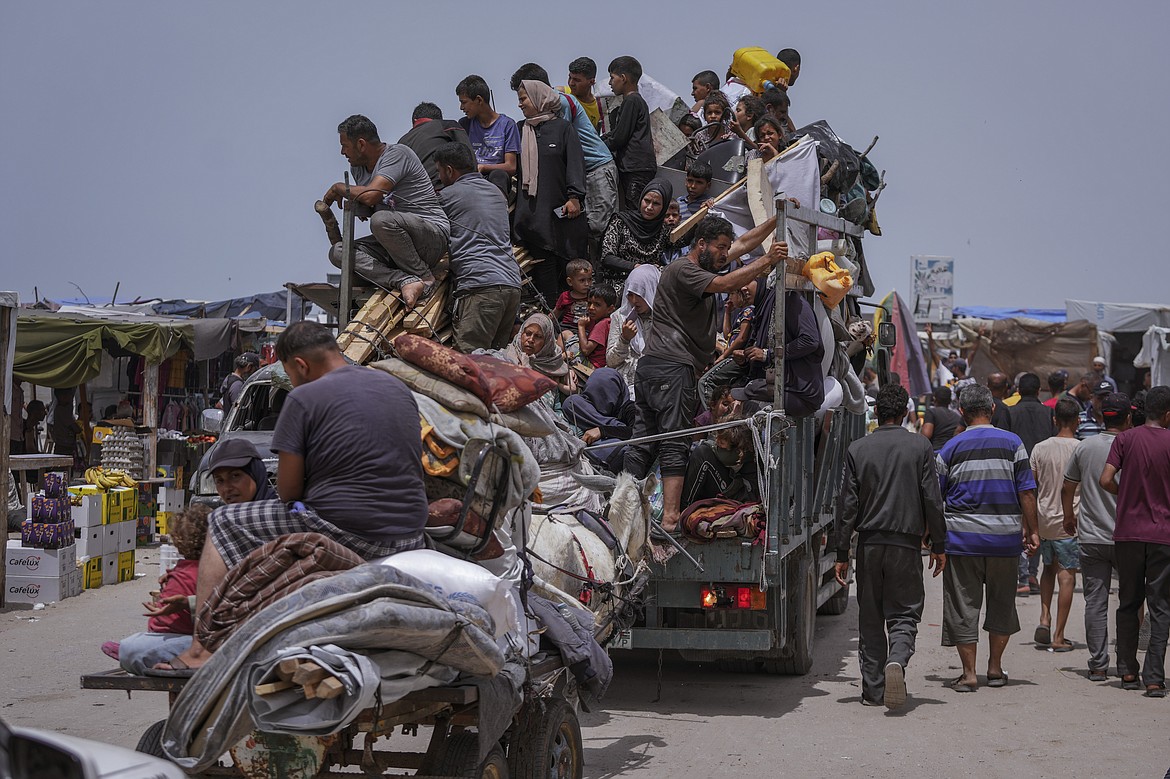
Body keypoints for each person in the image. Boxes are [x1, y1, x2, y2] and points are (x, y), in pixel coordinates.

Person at [156, 322, 428, 673]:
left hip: (349, 531)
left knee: (224, 521)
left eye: (291, 375)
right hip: (409, 533)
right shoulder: (398, 389)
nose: (294, 384)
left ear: (300, 365)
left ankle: (202, 649)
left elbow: (288, 491)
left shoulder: (303, 398)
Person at [623, 215, 787, 532]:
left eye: (727, 248)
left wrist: (773, 221)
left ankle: (625, 507)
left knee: (644, 441)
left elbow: (743, 243)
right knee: (673, 441)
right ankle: (670, 516)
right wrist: (768, 259)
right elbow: (727, 284)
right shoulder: (685, 270)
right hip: (671, 369)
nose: (726, 254)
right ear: (702, 245)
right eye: (720, 248)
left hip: (655, 368)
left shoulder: (703, 263)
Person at [833, 383, 946, 709]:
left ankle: (873, 691)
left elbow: (847, 506)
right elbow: (932, 499)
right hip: (905, 546)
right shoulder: (920, 446)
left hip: (869, 545)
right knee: (904, 614)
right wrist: (939, 544)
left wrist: (842, 553)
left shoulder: (858, 448)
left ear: (877, 413)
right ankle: (897, 659)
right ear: (905, 411)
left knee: (870, 619)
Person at [937, 385, 1039, 693]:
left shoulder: (951, 448)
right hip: (1004, 541)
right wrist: (1032, 530)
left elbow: (935, 496)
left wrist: (931, 538)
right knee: (1002, 604)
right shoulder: (1014, 443)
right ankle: (994, 669)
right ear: (992, 409)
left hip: (962, 541)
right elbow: (1026, 492)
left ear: (962, 412)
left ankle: (969, 674)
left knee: (962, 606)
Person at [323, 115, 450, 308]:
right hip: (394, 244)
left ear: (361, 144)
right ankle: (403, 280)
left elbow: (372, 195)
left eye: (345, 145)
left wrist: (339, 188)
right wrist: (356, 205)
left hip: (429, 238)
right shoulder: (358, 168)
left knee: (381, 220)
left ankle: (425, 277)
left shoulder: (397, 154)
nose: (342, 152)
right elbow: (368, 206)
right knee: (339, 252)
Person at [1100, 385, 1170, 697]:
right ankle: (1154, 677)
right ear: (1167, 415)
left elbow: (1105, 479)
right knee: (1160, 606)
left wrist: (1125, 494)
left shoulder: (1125, 439)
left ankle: (1127, 670)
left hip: (1127, 533)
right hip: (1162, 535)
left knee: (1128, 602)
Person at [511, 63, 618, 252]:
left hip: (597, 167)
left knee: (600, 226)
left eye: (524, 94)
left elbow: (561, 145)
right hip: (584, 171)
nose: (520, 102)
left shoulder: (559, 104)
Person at [1063, 392, 1131, 681]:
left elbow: (1068, 487)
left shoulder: (1085, 447)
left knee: (1095, 601)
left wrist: (1069, 516)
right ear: (1128, 417)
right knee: (1130, 600)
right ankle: (1127, 666)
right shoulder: (1134, 446)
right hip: (1129, 536)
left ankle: (1099, 664)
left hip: (1091, 536)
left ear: (1102, 417)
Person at [433, 142, 522, 353]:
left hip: (480, 287)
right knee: (496, 361)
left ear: (449, 170)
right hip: (511, 285)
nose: (439, 177)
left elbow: (428, 229)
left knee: (470, 363)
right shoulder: (496, 193)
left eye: (439, 171)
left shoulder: (447, 196)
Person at [511, 79, 588, 308]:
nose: (520, 105)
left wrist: (575, 196)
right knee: (541, 265)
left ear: (538, 98)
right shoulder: (519, 130)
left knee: (564, 263)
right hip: (531, 213)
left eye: (523, 99)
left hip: (560, 210)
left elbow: (575, 164)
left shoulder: (563, 128)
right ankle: (549, 318)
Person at [107, 504, 210, 674]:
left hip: (183, 637)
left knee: (131, 647)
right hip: (174, 635)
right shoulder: (191, 568)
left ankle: (135, 655)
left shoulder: (199, 571)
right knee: (139, 642)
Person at [1030, 399, 1083, 653]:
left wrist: (1028, 526)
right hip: (1069, 522)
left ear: (1054, 420)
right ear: (1078, 421)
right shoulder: (1080, 449)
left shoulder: (1040, 448)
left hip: (1043, 519)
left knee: (1048, 569)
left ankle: (1044, 617)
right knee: (1067, 576)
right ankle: (1059, 636)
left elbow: (1030, 487)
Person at [1008, 372, 1054, 596]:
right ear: (1038, 391)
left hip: (1016, 477)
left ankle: (1022, 577)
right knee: (1038, 526)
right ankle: (1033, 574)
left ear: (1018, 390)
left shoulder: (1010, 412)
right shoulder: (1048, 412)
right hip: (1042, 477)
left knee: (1020, 526)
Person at [600, 178, 688, 284]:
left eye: (656, 203)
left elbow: (682, 240)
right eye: (646, 201)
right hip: (617, 281)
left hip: (647, 285)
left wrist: (702, 213)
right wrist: (637, 268)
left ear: (664, 207)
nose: (649, 207)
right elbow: (607, 257)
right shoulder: (620, 221)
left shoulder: (663, 229)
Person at [603, 56, 656, 209]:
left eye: (612, 77)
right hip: (636, 167)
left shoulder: (632, 101)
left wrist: (596, 146)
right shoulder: (634, 101)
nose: (609, 83)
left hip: (636, 168)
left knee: (636, 209)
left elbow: (619, 137)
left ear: (624, 78)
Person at [455, 74, 520, 197]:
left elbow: (511, 166)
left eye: (464, 102)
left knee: (498, 175)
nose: (461, 107)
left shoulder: (507, 125)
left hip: (497, 180)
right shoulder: (465, 124)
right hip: (472, 180)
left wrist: (484, 167)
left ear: (479, 100)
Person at [562, 367, 634, 473]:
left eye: (604, 393)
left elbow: (637, 432)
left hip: (620, 451)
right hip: (591, 449)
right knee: (571, 402)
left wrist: (602, 431)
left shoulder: (630, 409)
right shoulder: (588, 405)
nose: (599, 398)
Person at [680, 420, 758, 508]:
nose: (716, 443)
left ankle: (684, 508)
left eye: (721, 444)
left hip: (741, 494)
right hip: (730, 483)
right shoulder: (728, 443)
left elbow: (721, 456)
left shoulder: (742, 452)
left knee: (703, 455)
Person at [397, 102, 474, 190]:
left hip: (415, 198)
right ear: (439, 119)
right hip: (446, 189)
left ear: (415, 120)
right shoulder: (446, 125)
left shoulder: (401, 142)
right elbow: (468, 156)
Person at [607, 264, 659, 389]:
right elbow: (611, 361)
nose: (634, 300)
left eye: (640, 293)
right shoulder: (620, 317)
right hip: (625, 380)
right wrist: (624, 339)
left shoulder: (665, 317)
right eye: (630, 294)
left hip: (656, 377)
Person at [506, 313, 574, 398]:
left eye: (538, 336)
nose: (530, 340)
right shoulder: (505, 357)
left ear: (547, 342)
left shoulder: (554, 366)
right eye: (528, 333)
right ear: (521, 334)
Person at [577, 284, 617, 369]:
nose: (591, 307)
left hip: (593, 366)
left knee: (566, 335)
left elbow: (586, 350)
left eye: (597, 305)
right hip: (599, 365)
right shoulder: (607, 321)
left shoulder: (602, 324)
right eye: (589, 303)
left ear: (610, 309)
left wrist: (581, 326)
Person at [551, 259, 593, 331]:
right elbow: (554, 315)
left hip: (587, 329)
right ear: (570, 281)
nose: (587, 284)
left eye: (589, 279)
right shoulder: (565, 296)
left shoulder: (593, 296)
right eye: (582, 280)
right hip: (568, 327)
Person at [564, 56, 603, 131]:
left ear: (591, 82)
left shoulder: (599, 107)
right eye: (570, 78)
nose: (571, 83)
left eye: (577, 80)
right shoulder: (562, 94)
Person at [920, 386, 964, 451]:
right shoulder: (957, 416)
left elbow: (926, 435)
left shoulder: (931, 412)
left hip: (936, 453)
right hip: (951, 453)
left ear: (935, 399)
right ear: (949, 401)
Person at [217, 352, 260, 418]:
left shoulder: (230, 378)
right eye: (254, 369)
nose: (254, 373)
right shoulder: (237, 385)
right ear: (249, 367)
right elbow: (239, 411)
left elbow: (220, 404)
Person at [49, 388, 81, 458]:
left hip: (63, 442)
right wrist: (79, 429)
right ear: (61, 397)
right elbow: (72, 425)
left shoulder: (63, 409)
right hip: (64, 442)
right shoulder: (61, 410)